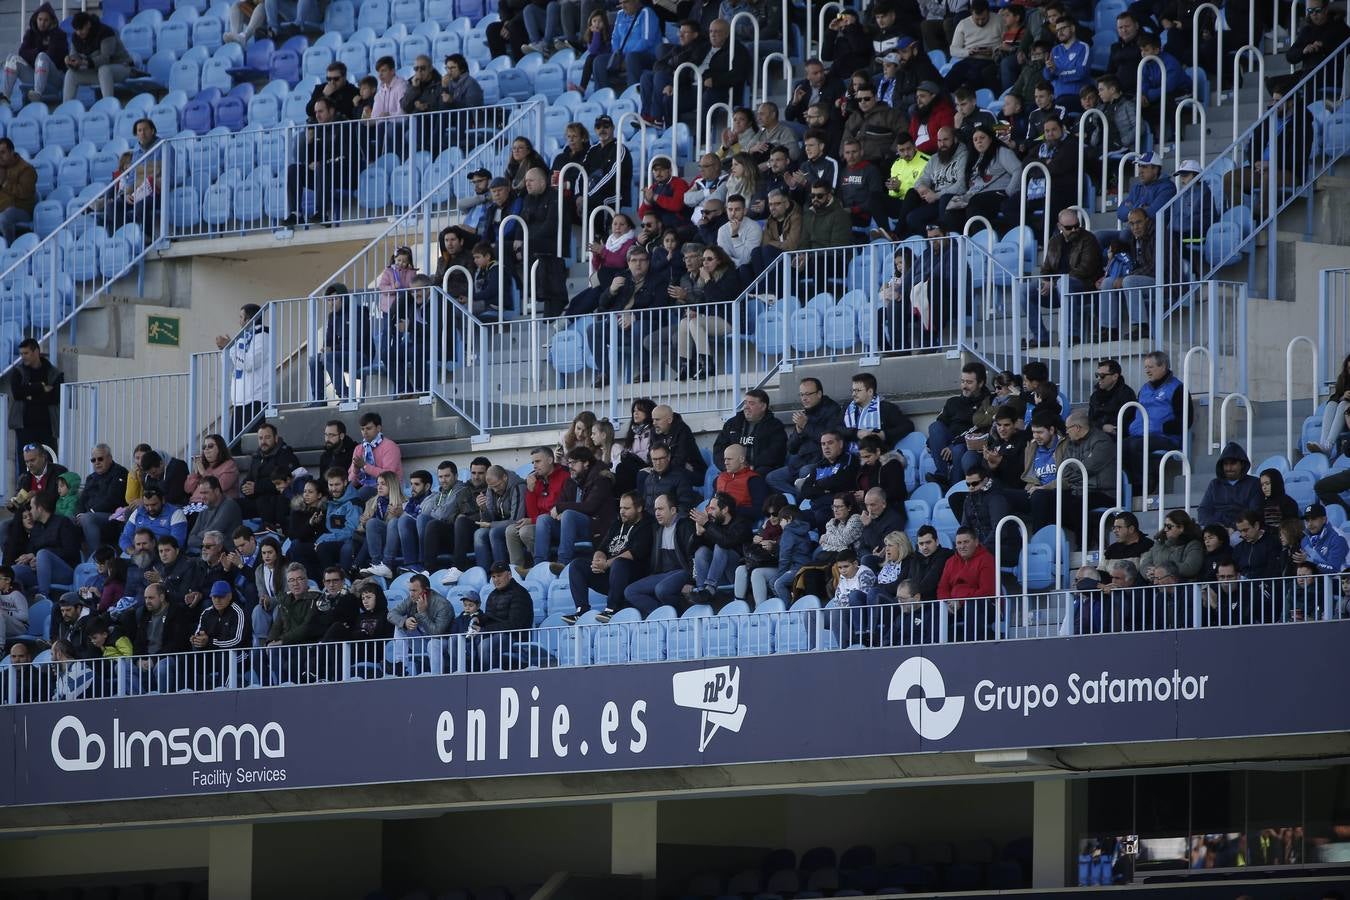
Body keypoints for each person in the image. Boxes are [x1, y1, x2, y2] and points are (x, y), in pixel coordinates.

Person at [561, 490, 653, 623]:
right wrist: (598, 561)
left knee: (620, 562)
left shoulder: (647, 525)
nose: (622, 511)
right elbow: (602, 548)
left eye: (627, 508)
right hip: (610, 575)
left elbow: (634, 553)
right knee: (577, 565)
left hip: (631, 577)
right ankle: (582, 610)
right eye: (621, 507)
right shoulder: (618, 523)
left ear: (639, 508)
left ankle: (611, 609)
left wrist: (607, 564)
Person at [1023, 208, 1104, 345]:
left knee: (1063, 283)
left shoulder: (1089, 239)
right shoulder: (1055, 241)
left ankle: (1072, 335)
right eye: (1069, 227)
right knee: (1024, 290)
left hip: (1084, 287)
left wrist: (1054, 283)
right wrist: (1045, 281)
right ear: (1060, 226)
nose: (1074, 230)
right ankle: (1040, 336)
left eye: (1077, 226)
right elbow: (1046, 269)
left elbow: (1085, 270)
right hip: (1058, 289)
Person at [534, 447, 615, 568]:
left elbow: (590, 507)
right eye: (569, 463)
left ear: (586, 463)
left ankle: (562, 562)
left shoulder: (600, 479)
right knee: (543, 519)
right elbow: (560, 503)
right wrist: (561, 509)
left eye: (574, 462)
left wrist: (562, 509)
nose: (570, 466)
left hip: (594, 527)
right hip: (570, 526)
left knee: (568, 515)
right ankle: (539, 566)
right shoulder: (571, 480)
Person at [1124, 351, 1190, 491]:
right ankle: (1128, 486)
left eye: (1151, 367)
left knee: (1135, 446)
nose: (1147, 371)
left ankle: (1146, 482)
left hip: (1165, 437)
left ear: (1163, 366)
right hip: (1140, 435)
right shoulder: (1144, 389)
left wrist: (1164, 427)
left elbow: (1186, 419)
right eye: (1146, 367)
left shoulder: (1177, 388)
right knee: (1120, 446)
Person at [768, 378, 845, 497]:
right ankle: (799, 497)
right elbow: (791, 448)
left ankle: (801, 498)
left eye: (808, 394)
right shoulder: (805, 412)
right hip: (800, 461)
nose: (804, 398)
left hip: (820, 461)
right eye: (801, 394)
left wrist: (806, 425)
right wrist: (798, 432)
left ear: (819, 394)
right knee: (772, 478)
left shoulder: (832, 410)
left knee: (805, 471)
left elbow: (828, 438)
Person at [928, 361, 994, 486]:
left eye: (969, 382)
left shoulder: (988, 403)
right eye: (963, 381)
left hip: (968, 444)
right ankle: (942, 475)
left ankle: (954, 487)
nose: (964, 386)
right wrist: (933, 443)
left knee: (958, 450)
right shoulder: (953, 402)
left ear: (980, 383)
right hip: (950, 441)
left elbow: (982, 433)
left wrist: (953, 446)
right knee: (935, 427)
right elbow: (940, 426)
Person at [687, 493, 752, 606]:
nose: (709, 512)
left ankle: (710, 589)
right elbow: (690, 552)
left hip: (737, 575)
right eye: (708, 509)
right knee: (701, 551)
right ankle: (702, 590)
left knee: (720, 547)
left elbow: (726, 541)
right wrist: (698, 534)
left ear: (725, 509)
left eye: (712, 508)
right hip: (718, 575)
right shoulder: (712, 525)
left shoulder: (741, 523)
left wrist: (707, 525)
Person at [468, 561, 534, 669]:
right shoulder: (492, 595)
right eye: (493, 577)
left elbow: (514, 625)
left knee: (486, 646)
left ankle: (489, 678)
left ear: (509, 575)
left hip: (515, 636)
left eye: (499, 576)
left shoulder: (520, 594)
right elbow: (489, 616)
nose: (496, 580)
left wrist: (484, 630)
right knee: (460, 642)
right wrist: (478, 619)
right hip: (494, 634)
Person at [9, 339, 62, 465]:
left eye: (26, 353)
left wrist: (29, 395)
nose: (22, 357)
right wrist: (41, 387)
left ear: (36, 351)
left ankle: (50, 485)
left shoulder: (54, 372)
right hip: (25, 427)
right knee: (25, 464)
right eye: (21, 354)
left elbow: (55, 397)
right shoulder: (17, 372)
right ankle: (25, 486)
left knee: (50, 462)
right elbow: (17, 394)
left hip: (48, 427)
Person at [386, 573, 452, 674]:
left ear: (425, 591)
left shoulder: (443, 605)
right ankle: (401, 665)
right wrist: (405, 622)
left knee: (433, 643)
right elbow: (391, 614)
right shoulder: (411, 599)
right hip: (421, 639)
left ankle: (436, 676)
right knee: (399, 627)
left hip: (442, 642)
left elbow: (437, 633)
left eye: (414, 591)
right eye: (410, 590)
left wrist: (422, 613)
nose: (411, 594)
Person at [937, 527, 995, 640]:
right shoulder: (950, 562)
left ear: (976, 542)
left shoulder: (986, 559)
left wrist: (962, 601)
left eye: (966, 542)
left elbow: (987, 591)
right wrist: (946, 603)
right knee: (937, 610)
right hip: (956, 606)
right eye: (959, 543)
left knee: (972, 605)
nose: (962, 546)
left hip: (983, 607)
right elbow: (942, 588)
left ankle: (971, 646)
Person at [190, 580, 250, 688]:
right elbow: (199, 634)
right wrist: (196, 639)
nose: (217, 600)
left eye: (221, 597)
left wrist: (210, 641)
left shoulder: (238, 612)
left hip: (239, 654)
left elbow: (236, 641)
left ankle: (224, 689)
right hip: (213, 653)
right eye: (214, 597)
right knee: (193, 653)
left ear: (229, 596)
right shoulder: (206, 613)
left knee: (225, 654)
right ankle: (196, 689)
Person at [61, 12, 131, 101]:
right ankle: (66, 109)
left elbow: (106, 58)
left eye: (81, 29)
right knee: (70, 74)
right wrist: (70, 62)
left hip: (121, 66)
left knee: (104, 69)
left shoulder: (105, 32)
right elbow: (74, 55)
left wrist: (84, 62)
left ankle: (108, 105)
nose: (79, 32)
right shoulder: (76, 37)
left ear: (88, 24)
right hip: (97, 72)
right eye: (76, 30)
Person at [470, 465, 526, 572]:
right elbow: (489, 518)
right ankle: (484, 575)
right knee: (479, 534)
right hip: (499, 524)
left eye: (498, 485)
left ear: (504, 477)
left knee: (494, 532)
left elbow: (516, 520)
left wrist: (491, 525)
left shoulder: (518, 486)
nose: (496, 490)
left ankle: (501, 572)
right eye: (492, 487)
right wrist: (483, 508)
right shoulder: (491, 488)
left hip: (518, 525)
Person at [841, 372, 914, 451]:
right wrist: (856, 433)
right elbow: (836, 428)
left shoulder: (886, 408)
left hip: (880, 455)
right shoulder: (847, 407)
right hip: (851, 456)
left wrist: (884, 435)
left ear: (870, 392)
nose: (853, 394)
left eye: (857, 391)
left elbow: (908, 426)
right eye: (853, 390)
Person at [1198, 443, 1262, 529]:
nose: (1229, 468)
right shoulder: (1214, 484)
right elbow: (1203, 511)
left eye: (1233, 463)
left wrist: (1234, 528)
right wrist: (1218, 527)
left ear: (1242, 464)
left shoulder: (1254, 483)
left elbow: (1254, 512)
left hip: (1242, 530)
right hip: (1216, 529)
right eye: (1226, 464)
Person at [348, 411, 403, 502]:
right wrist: (356, 470)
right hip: (365, 488)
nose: (365, 432)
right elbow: (352, 482)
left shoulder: (390, 446)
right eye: (362, 429)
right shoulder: (359, 449)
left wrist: (365, 466)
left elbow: (389, 476)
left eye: (368, 428)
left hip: (390, 489)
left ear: (378, 428)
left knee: (359, 497)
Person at [1139, 509, 1205, 581]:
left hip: (1181, 588)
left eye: (1169, 526)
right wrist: (1148, 573)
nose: (1165, 529)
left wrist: (1160, 570)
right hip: (1157, 587)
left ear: (1181, 528)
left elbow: (1190, 568)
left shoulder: (1193, 544)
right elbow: (1144, 564)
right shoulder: (1159, 544)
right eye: (1165, 526)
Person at [1308, 352, 1350, 455]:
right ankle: (1324, 445)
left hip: (1347, 415)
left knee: (1342, 405)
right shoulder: (1343, 378)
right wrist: (1343, 396)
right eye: (1349, 368)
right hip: (1341, 418)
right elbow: (1334, 397)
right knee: (1332, 404)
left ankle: (1328, 446)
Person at [1296, 503, 1349, 575]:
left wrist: (1310, 561)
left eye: (1313, 519)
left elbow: (1334, 570)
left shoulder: (1338, 538)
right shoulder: (1305, 541)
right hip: (1315, 582)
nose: (1309, 524)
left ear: (1324, 519)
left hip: (1339, 583)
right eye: (1307, 520)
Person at [1088, 358, 1137, 434]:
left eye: (1102, 376)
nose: (1098, 379)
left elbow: (1126, 421)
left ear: (1115, 376)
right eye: (1096, 375)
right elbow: (1090, 420)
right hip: (1096, 434)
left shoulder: (1126, 394)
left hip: (1117, 437)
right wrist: (1102, 427)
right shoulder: (1095, 396)